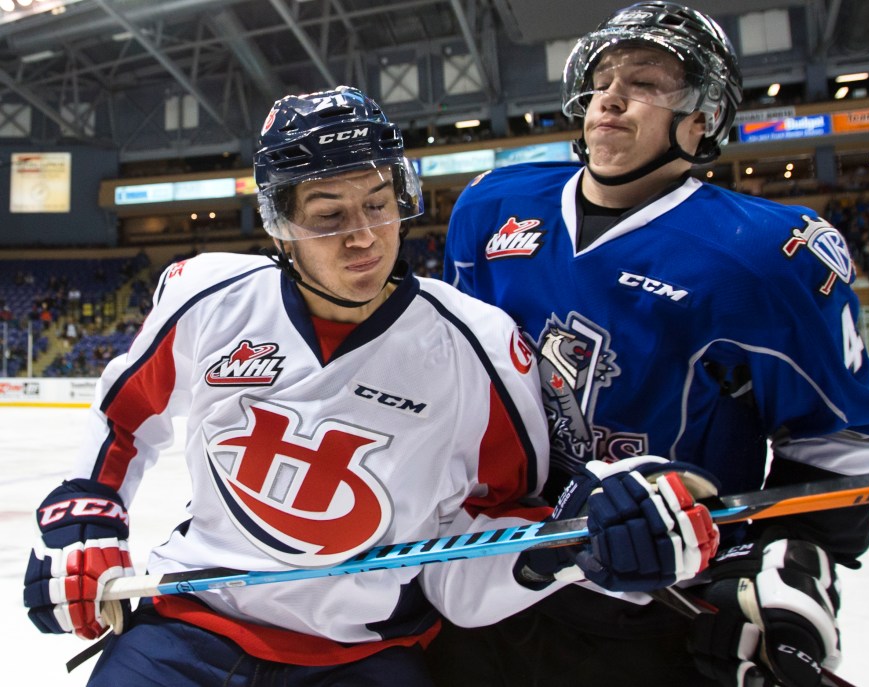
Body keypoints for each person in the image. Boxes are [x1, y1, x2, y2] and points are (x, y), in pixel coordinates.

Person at [22, 85, 720, 686]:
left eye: (379, 202)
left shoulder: (479, 346)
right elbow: (123, 421)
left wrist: (579, 546)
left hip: (361, 654)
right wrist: (82, 526)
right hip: (188, 627)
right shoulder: (206, 295)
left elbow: (489, 533)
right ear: (280, 225)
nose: (363, 235)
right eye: (327, 214)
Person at [427, 3, 869, 686]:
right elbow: (457, 385)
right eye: (602, 78)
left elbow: (841, 443)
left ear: (701, 119)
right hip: (496, 569)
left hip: (652, 595)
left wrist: (781, 568)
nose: (610, 97)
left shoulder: (764, 254)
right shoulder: (491, 208)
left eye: (646, 81)